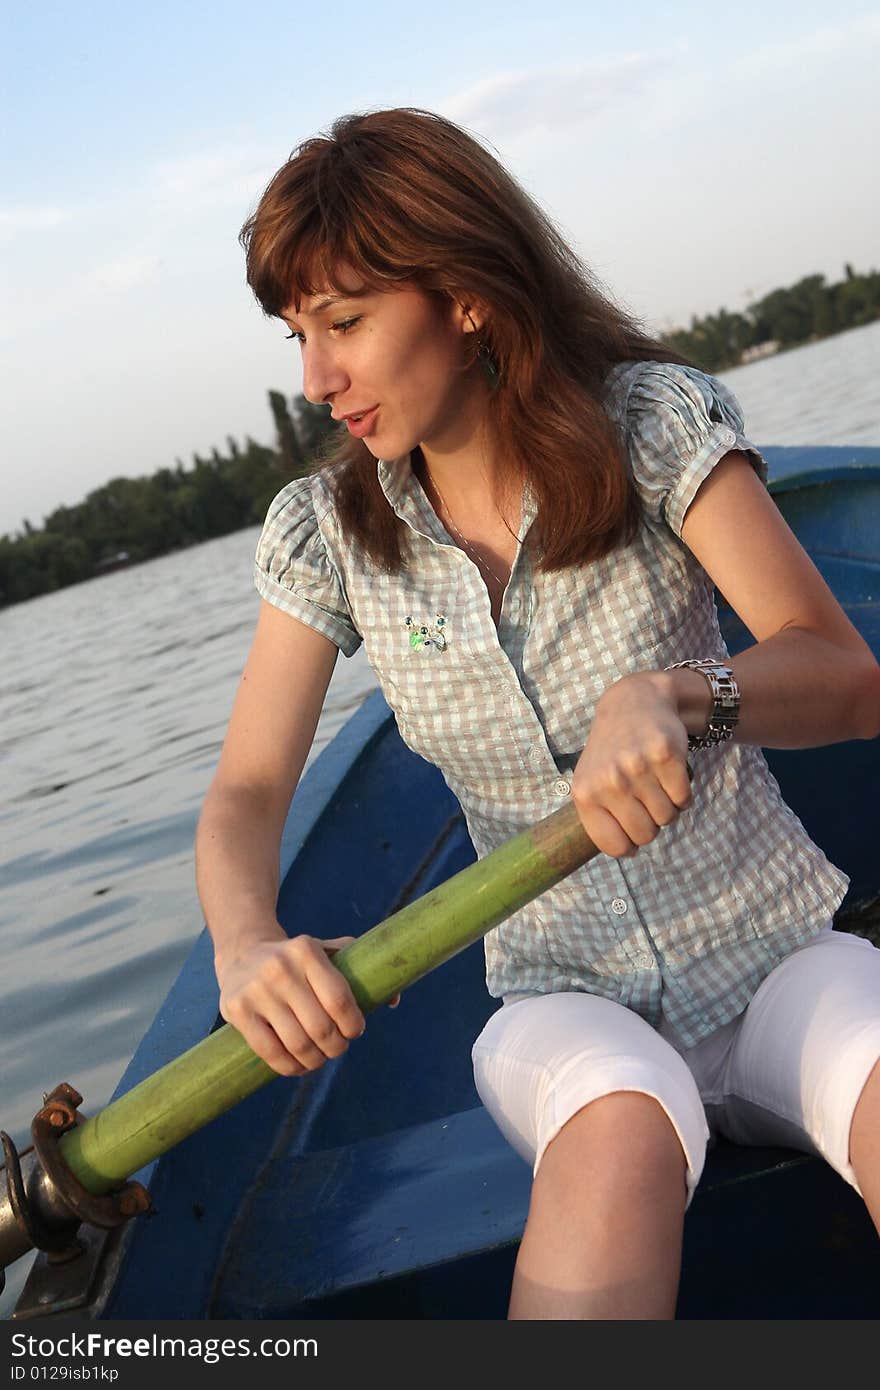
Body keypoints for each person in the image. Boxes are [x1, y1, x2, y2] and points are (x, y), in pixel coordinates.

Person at [195, 107, 880, 1319]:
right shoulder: (328, 537)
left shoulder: (652, 427)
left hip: (781, 956)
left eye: (344, 322)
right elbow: (248, 791)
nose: (314, 378)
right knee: (614, 1130)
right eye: (297, 333)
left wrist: (684, 691)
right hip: (565, 1001)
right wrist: (246, 942)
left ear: (463, 295)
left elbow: (838, 671)